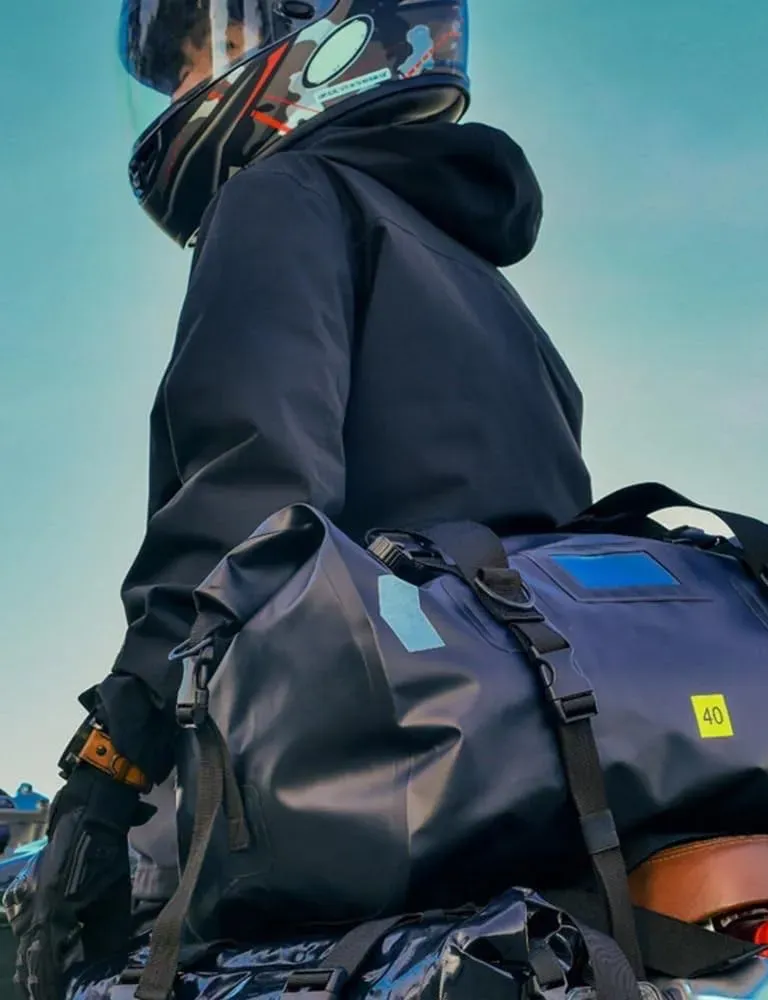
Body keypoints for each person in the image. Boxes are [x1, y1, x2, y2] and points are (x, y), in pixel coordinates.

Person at [5, 2, 593, 999]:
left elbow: (253, 505)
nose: (187, 82)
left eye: (207, 45)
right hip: (522, 771)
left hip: (359, 768)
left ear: (322, 34)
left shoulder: (280, 198)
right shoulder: (488, 288)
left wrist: (110, 764)